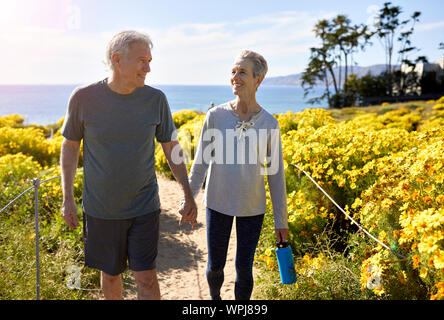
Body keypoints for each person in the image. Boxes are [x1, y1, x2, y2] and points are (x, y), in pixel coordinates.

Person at [60, 30, 197, 300]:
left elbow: (171, 146)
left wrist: (187, 194)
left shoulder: (155, 99)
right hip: (101, 209)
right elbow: (70, 146)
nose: (148, 68)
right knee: (110, 276)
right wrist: (67, 198)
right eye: (142, 60)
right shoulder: (83, 98)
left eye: (149, 60)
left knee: (146, 278)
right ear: (117, 59)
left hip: (144, 207)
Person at [188, 50, 289, 300]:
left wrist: (281, 221)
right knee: (215, 267)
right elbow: (200, 163)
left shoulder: (269, 123)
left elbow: (276, 177)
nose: (235, 76)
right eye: (233, 71)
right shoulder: (215, 116)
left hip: (252, 207)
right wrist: (188, 200)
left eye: (242, 72)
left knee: (244, 269)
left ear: (258, 80)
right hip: (217, 202)